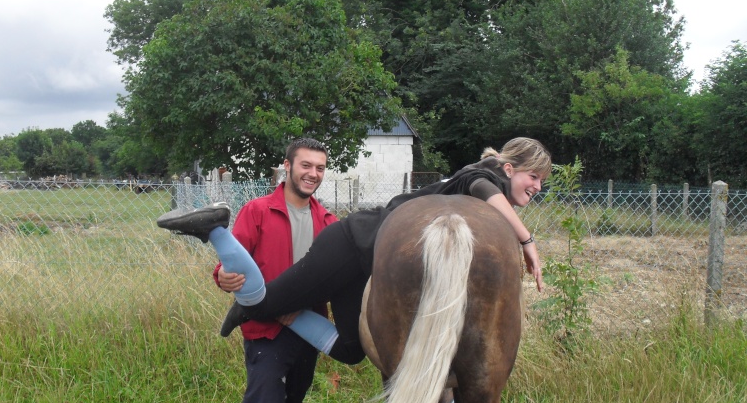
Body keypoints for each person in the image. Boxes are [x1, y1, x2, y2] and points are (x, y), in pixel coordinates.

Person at [158, 137, 552, 366]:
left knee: (351, 351)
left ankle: (280, 308)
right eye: (533, 176)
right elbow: (490, 199)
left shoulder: (478, 183)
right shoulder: (483, 179)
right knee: (258, 300)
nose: (536, 186)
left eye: (541, 181)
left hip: (371, 266)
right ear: (508, 167)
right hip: (352, 243)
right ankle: (214, 230)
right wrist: (527, 242)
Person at [164, 139, 337, 403]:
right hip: (266, 334)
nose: (312, 174)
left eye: (320, 168)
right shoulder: (259, 210)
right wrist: (223, 277)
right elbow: (229, 266)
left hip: (308, 332)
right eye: (305, 166)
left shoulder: (328, 221)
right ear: (287, 167)